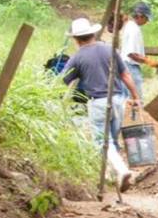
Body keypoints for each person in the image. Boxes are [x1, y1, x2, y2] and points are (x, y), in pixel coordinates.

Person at [61, 16, 142, 192]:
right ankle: (109, 175)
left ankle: (121, 171)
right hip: (118, 100)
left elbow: (63, 80)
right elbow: (126, 75)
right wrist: (136, 97)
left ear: (76, 39)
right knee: (112, 139)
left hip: (98, 103)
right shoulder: (109, 50)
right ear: (92, 33)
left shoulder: (77, 58)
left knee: (103, 142)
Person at [118, 1, 158, 101]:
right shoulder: (134, 29)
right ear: (140, 16)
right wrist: (150, 62)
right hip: (130, 67)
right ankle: (135, 116)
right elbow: (132, 54)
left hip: (126, 66)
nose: (147, 21)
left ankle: (129, 116)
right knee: (135, 100)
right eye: (146, 18)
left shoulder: (130, 26)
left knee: (128, 99)